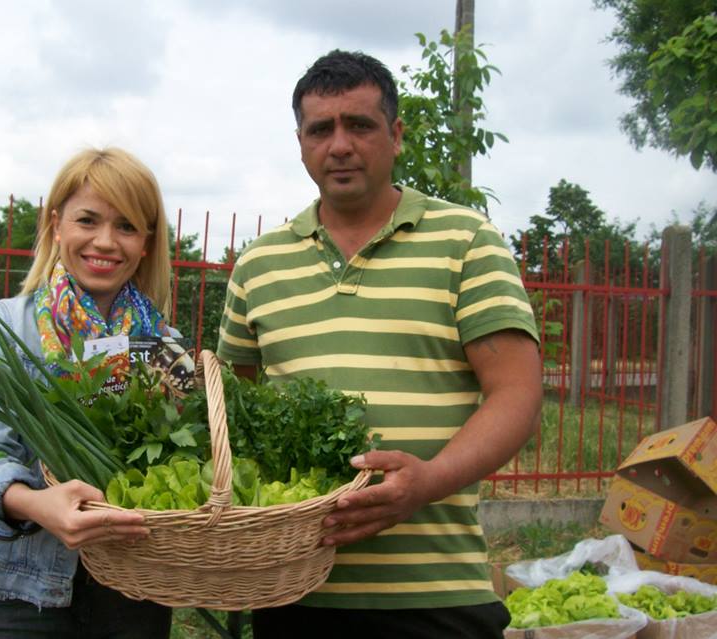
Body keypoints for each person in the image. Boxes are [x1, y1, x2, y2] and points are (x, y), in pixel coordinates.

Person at [216, 49, 543, 638]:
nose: (339, 145)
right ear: (300, 143)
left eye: (360, 125)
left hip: (436, 593)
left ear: (395, 134)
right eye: (321, 129)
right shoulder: (259, 265)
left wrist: (429, 483)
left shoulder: (466, 240)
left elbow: (517, 394)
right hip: (293, 592)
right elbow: (231, 415)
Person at [0, 147, 180, 639]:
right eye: (88, 220)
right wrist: (40, 505)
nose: (105, 241)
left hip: (133, 587)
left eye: (126, 226)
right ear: (56, 225)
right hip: (19, 586)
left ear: (146, 242)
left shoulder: (162, 344)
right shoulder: (5, 327)